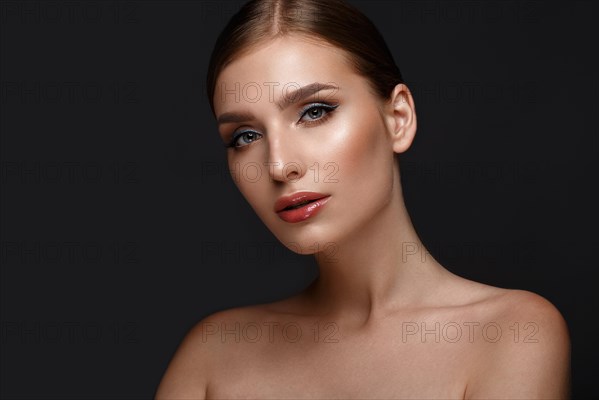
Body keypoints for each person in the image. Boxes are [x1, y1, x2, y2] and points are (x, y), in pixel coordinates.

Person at [156, 0, 571, 398]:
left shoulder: (510, 332)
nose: (279, 166)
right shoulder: (213, 356)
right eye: (245, 136)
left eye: (314, 111)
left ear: (398, 119)